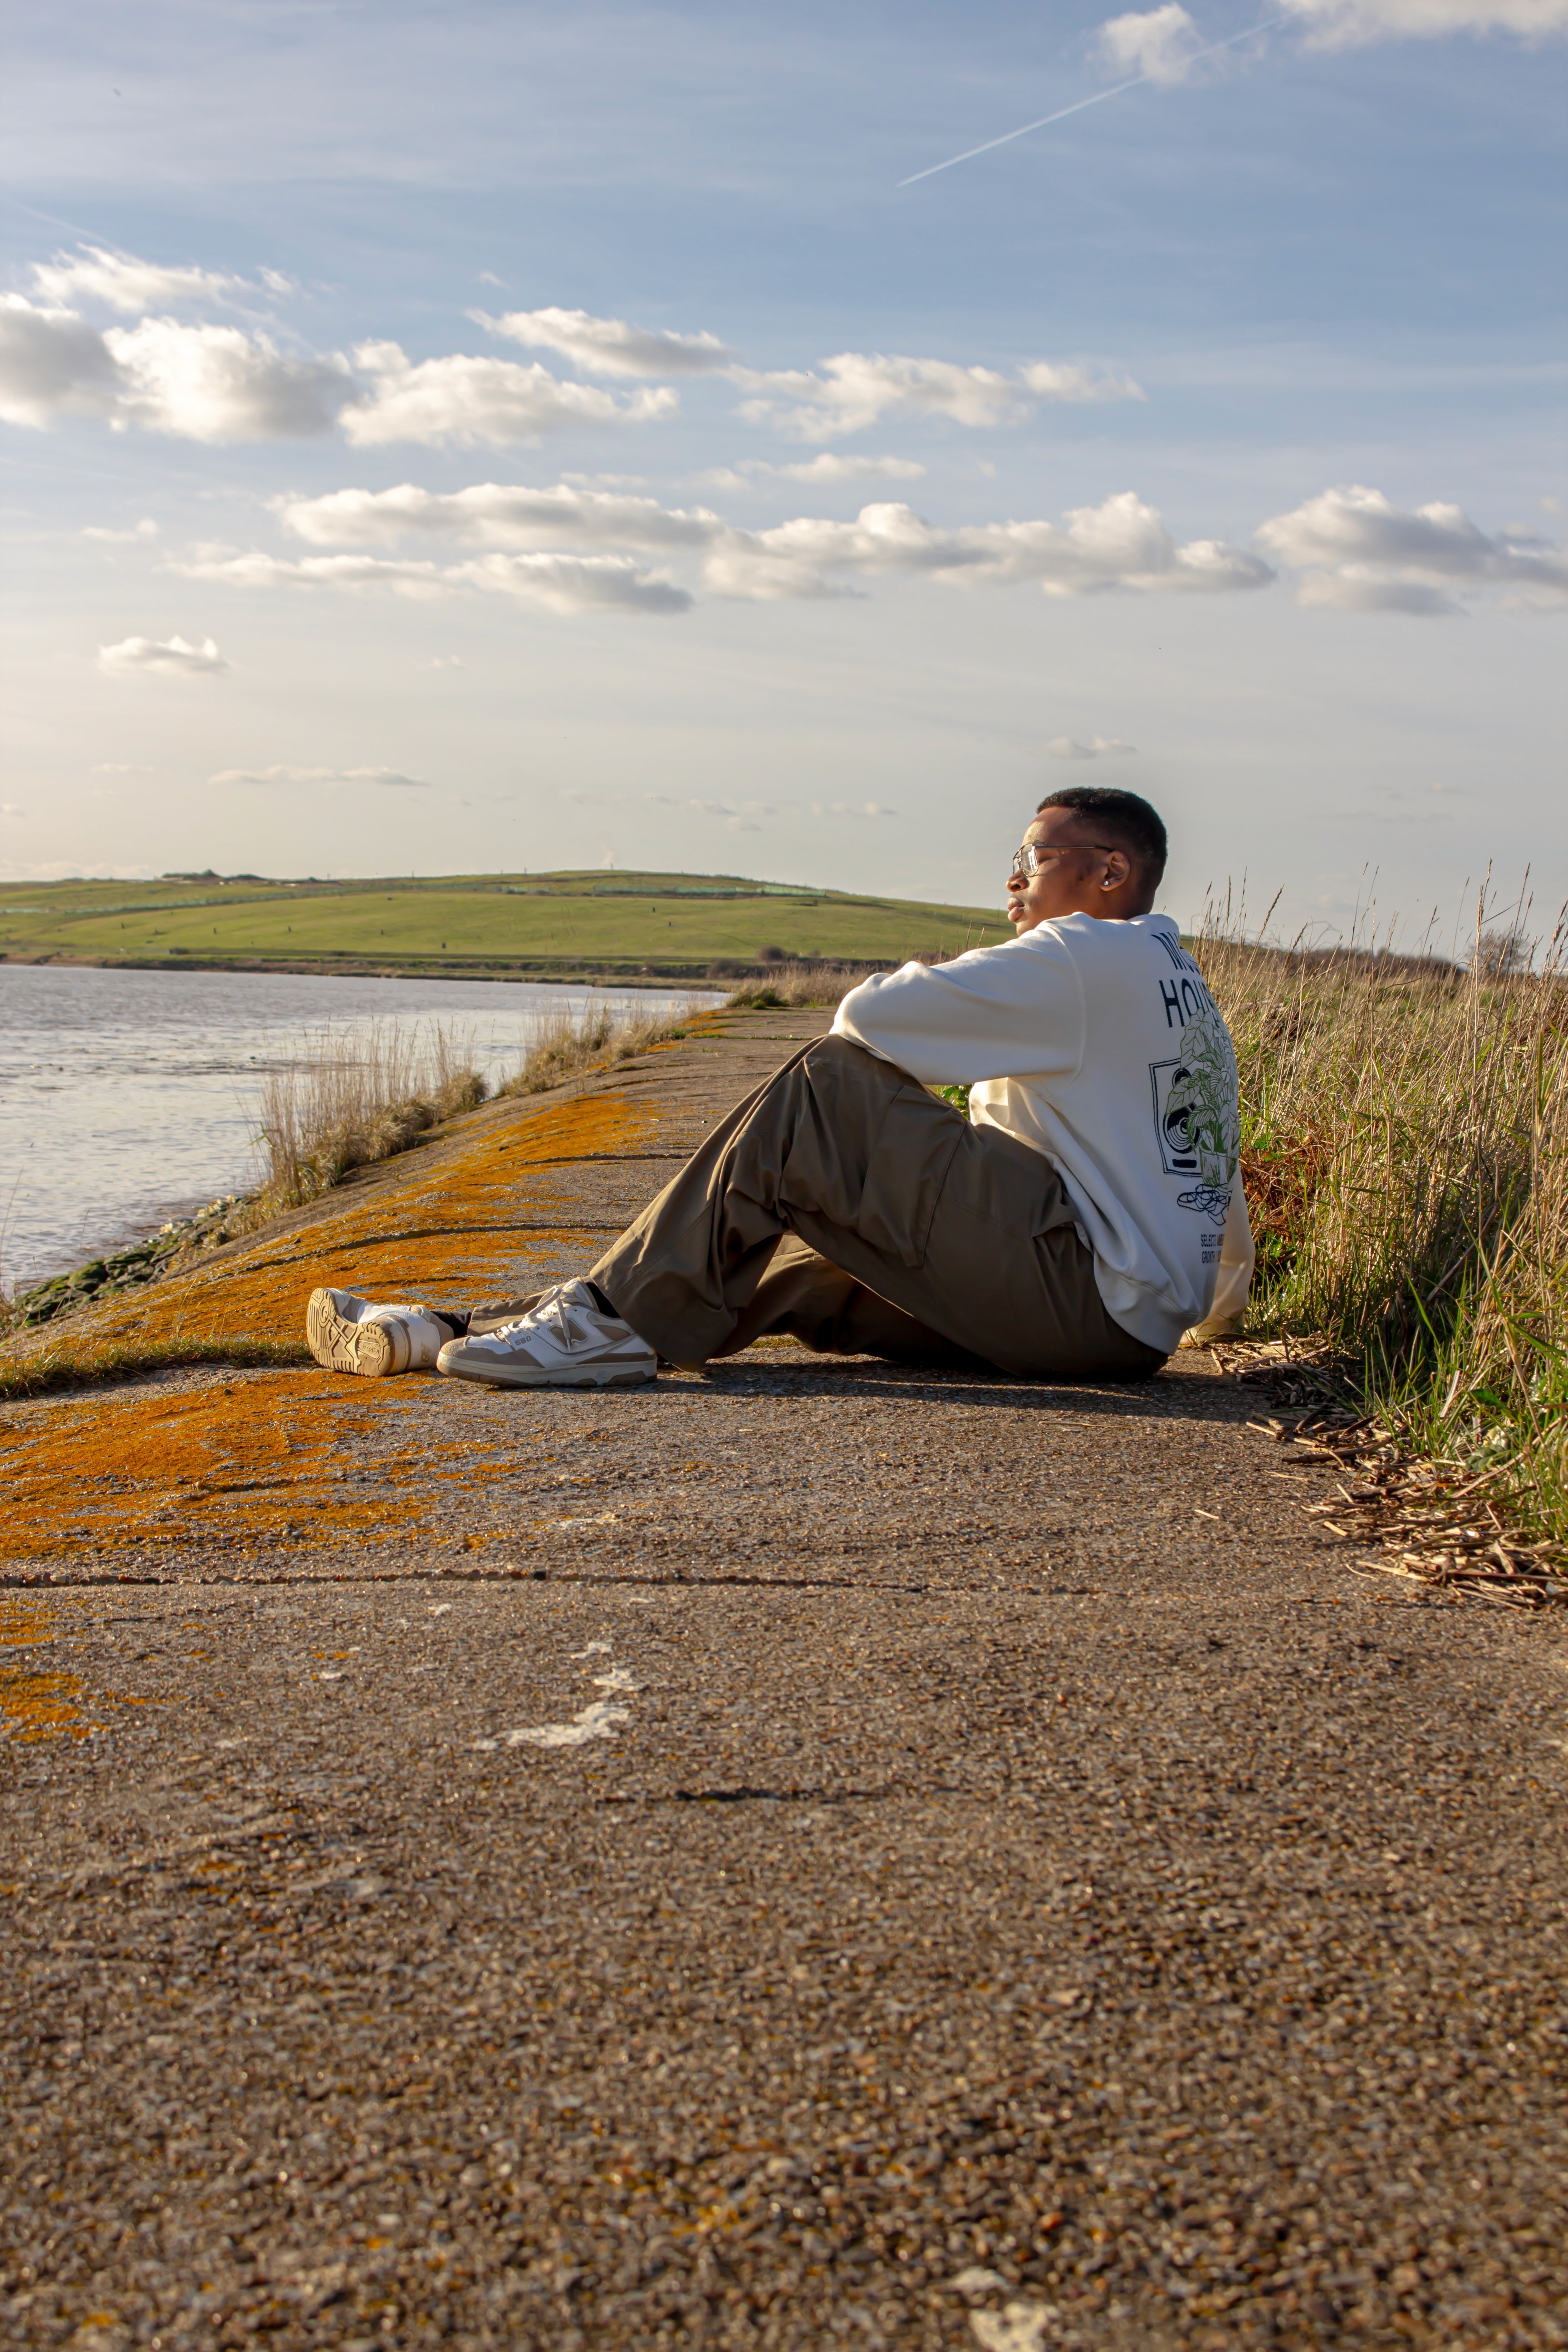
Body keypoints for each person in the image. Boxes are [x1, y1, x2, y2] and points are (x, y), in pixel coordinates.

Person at [305, 786, 1253, 1391]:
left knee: (824, 1088)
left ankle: (594, 1325)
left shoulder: (1082, 953)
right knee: (795, 1279)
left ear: (1112, 871)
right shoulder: (1183, 987)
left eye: (1036, 856)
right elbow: (1202, 1168)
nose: (1013, 878)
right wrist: (1206, 1314)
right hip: (1120, 1336)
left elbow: (868, 1025)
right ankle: (456, 1330)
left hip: (1073, 1297)